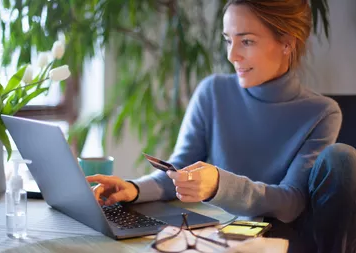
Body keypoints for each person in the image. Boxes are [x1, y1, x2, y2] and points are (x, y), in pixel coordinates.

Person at [87, 1, 356, 252]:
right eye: (229, 40)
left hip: (279, 241)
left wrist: (219, 185)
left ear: (286, 43)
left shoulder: (322, 112)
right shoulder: (212, 92)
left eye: (247, 41)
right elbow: (177, 170)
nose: (232, 55)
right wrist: (132, 189)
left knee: (342, 157)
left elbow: (291, 203)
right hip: (218, 236)